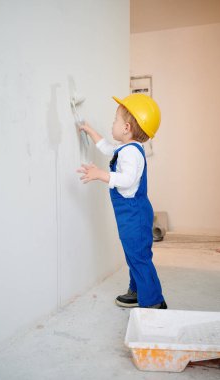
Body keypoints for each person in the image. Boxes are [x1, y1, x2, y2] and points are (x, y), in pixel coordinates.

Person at [77, 93, 167, 309]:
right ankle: (137, 291)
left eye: (115, 120)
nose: (113, 124)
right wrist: (91, 132)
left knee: (139, 256)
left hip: (134, 213)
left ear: (126, 128)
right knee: (133, 254)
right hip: (131, 213)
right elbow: (109, 148)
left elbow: (127, 180)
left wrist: (100, 174)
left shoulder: (131, 154)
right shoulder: (126, 149)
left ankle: (153, 302)